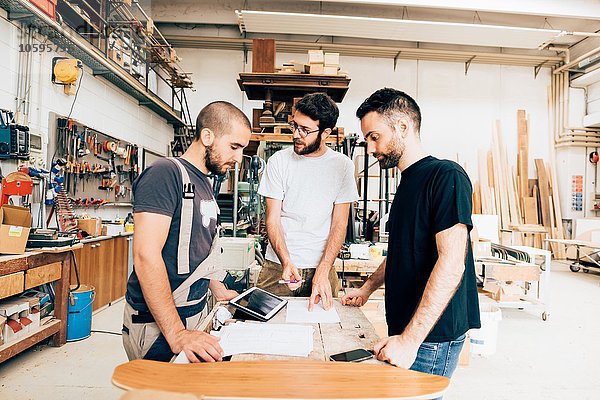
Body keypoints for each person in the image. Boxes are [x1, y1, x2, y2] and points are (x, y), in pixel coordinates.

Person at [342, 88, 480, 382]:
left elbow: (453, 263)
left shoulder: (445, 176)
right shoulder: (407, 182)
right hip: (407, 329)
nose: (370, 148)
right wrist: (368, 288)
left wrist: (410, 340)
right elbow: (403, 251)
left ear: (402, 126)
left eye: (374, 136)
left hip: (431, 336)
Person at [122, 101, 252, 363]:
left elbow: (200, 247)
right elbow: (146, 256)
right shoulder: (165, 174)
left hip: (191, 314)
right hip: (159, 324)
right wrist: (177, 333)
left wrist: (217, 288)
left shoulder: (204, 182)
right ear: (207, 137)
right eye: (234, 147)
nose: (238, 158)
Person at [257, 93, 359, 311]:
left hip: (322, 265)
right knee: (265, 330)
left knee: (328, 333)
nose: (296, 134)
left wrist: (323, 270)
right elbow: (272, 220)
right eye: (295, 126)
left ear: (326, 133)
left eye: (305, 130)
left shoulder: (342, 166)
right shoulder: (279, 162)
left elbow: (339, 224)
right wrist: (286, 261)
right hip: (278, 266)